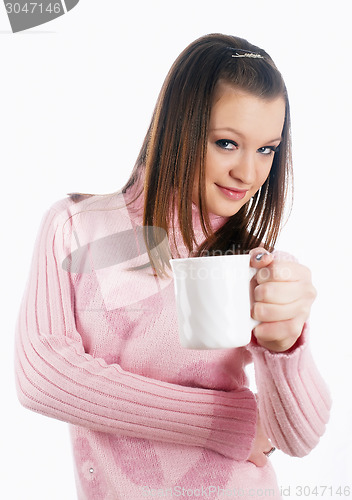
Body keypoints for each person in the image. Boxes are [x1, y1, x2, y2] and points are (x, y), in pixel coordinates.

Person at [15, 33, 331, 499]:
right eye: (227, 143)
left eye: (267, 149)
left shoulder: (254, 263)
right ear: (179, 127)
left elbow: (299, 438)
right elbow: (43, 378)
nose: (248, 173)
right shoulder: (79, 229)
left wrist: (285, 347)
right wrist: (230, 424)